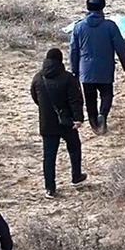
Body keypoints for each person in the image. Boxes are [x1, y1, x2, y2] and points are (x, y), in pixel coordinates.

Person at [69, 0, 125, 135]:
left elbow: (73, 50)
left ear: (87, 7)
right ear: (103, 7)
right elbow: (120, 46)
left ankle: (95, 125)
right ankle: (103, 114)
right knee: (107, 95)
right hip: (105, 68)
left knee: (90, 99)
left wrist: (74, 69)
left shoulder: (79, 27)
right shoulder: (110, 26)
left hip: (86, 70)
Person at [30, 48, 86, 198]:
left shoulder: (38, 78)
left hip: (47, 122)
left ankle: (50, 188)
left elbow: (35, 97)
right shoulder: (68, 78)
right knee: (74, 147)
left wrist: (46, 109)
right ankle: (76, 175)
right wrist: (78, 118)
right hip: (66, 121)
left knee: (49, 156)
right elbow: (75, 99)